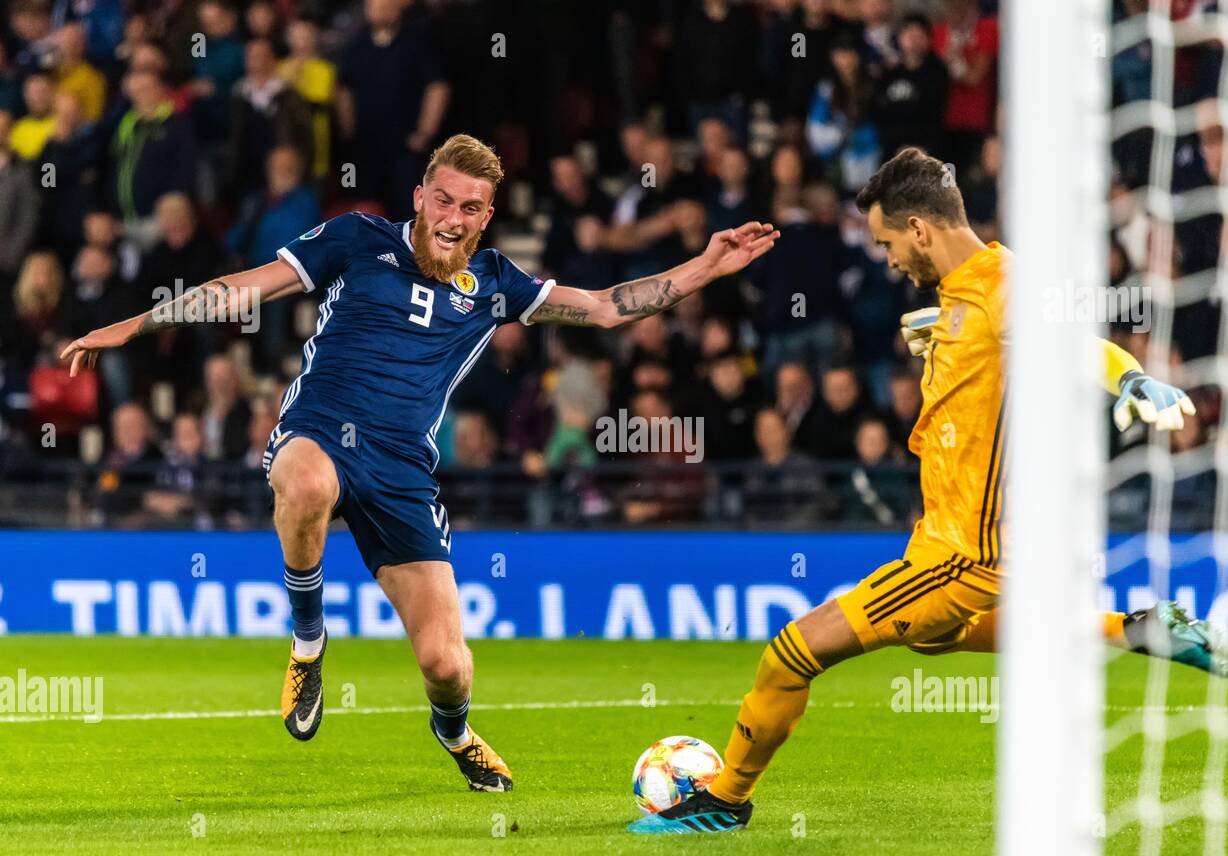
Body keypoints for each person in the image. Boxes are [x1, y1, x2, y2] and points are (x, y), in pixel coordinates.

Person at [61, 133, 778, 794]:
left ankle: (456, 732)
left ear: (488, 216)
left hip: (403, 469)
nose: (453, 217)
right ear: (420, 198)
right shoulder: (356, 238)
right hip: (321, 427)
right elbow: (243, 289)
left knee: (446, 664)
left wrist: (706, 266)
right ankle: (308, 640)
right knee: (305, 481)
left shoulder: (497, 283)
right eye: (443, 199)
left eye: (471, 207)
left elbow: (606, 308)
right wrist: (135, 323)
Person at [629, 147, 1228, 835]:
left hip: (963, 554)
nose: (886, 259)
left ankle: (724, 800)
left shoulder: (1004, 284)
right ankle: (1136, 628)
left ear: (919, 229)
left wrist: (1130, 379)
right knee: (935, 642)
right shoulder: (963, 293)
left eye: (887, 241)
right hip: (955, 541)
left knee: (790, 652)